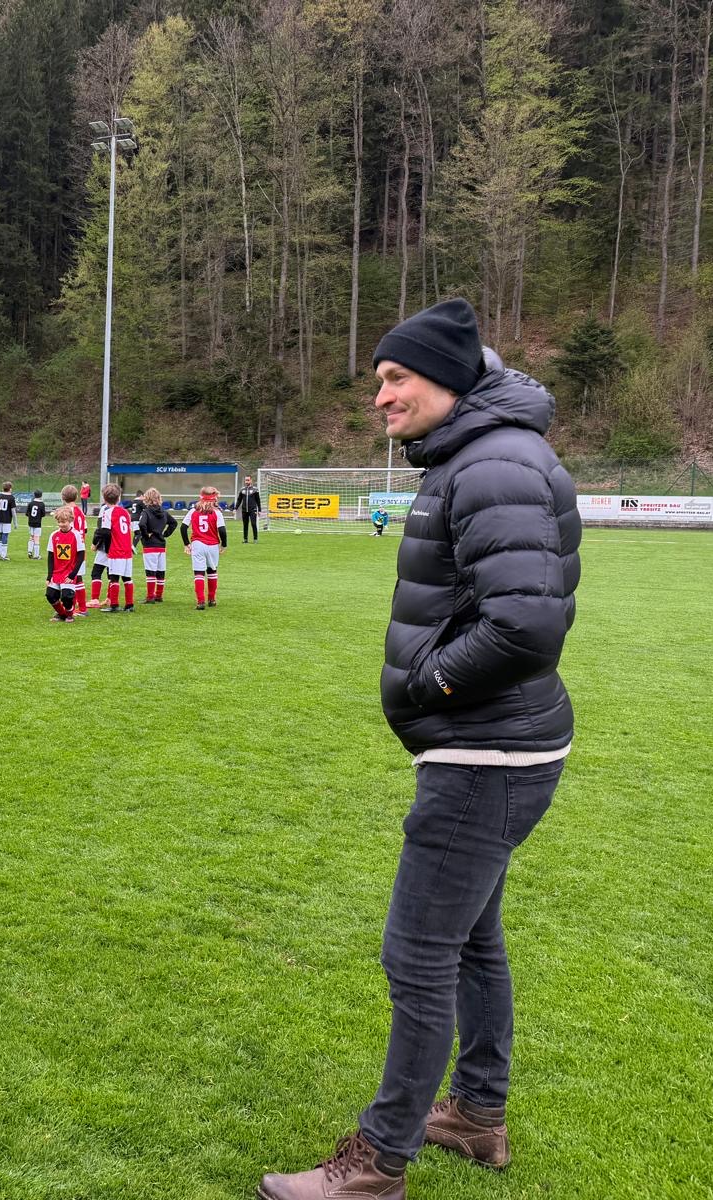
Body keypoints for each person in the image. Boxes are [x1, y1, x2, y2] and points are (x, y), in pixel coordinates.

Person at [256, 297, 581, 1200]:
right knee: (472, 941)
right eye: (379, 381)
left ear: (448, 380)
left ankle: (377, 1163)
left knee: (419, 954)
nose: (381, 398)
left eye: (397, 378)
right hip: (497, 746)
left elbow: (525, 627)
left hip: (485, 754)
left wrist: (426, 684)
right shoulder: (479, 453)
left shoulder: (493, 463)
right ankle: (476, 1114)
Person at [179, 486, 226, 610]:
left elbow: (183, 527)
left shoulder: (193, 511)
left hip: (198, 544)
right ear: (213, 498)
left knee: (199, 573)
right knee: (212, 572)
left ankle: (200, 602)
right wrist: (224, 544)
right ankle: (212, 599)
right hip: (213, 545)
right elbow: (222, 530)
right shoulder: (217, 512)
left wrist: (186, 543)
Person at [98, 484, 137, 613]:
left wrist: (108, 549)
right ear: (119, 498)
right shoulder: (125, 512)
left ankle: (114, 604)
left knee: (114, 577)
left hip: (116, 550)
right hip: (127, 550)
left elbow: (105, 532)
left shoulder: (108, 513)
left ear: (104, 499)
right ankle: (129, 604)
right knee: (127, 578)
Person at [136, 487, 177, 603]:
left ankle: (150, 597)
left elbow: (141, 524)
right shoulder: (164, 512)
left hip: (150, 545)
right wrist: (165, 534)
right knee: (160, 570)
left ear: (147, 499)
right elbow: (174, 523)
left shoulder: (146, 512)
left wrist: (145, 536)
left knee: (150, 571)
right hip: (161, 544)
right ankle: (159, 595)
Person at [45, 506, 84, 621]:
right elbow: (51, 556)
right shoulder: (54, 535)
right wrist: (49, 576)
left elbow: (81, 556)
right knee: (50, 595)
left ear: (70, 520)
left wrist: (73, 574)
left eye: (64, 522)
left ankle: (69, 614)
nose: (61, 524)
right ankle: (63, 614)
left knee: (67, 597)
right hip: (57, 572)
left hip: (69, 572)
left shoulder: (76, 535)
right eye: (59, 522)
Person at [0, 483, 17, 561]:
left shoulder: (0, 496)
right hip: (7, 519)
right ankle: (3, 555)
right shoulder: (11, 497)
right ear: (10, 489)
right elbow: (13, 511)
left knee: (1, 535)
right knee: (5, 535)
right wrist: (15, 522)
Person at [236, 475, 263, 542]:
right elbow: (239, 500)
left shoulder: (255, 490)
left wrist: (259, 510)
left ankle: (255, 539)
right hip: (244, 510)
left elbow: (258, 500)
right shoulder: (242, 490)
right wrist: (235, 508)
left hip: (253, 510)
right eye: (246, 480)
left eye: (248, 480)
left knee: (253, 524)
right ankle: (245, 539)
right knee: (245, 525)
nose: (246, 481)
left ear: (251, 480)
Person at [24, 490, 46, 559]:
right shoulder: (42, 504)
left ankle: (29, 551)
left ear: (34, 495)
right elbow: (43, 514)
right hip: (37, 523)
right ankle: (36, 555)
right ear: (41, 496)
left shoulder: (30, 503)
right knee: (37, 538)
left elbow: (27, 513)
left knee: (31, 537)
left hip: (30, 523)